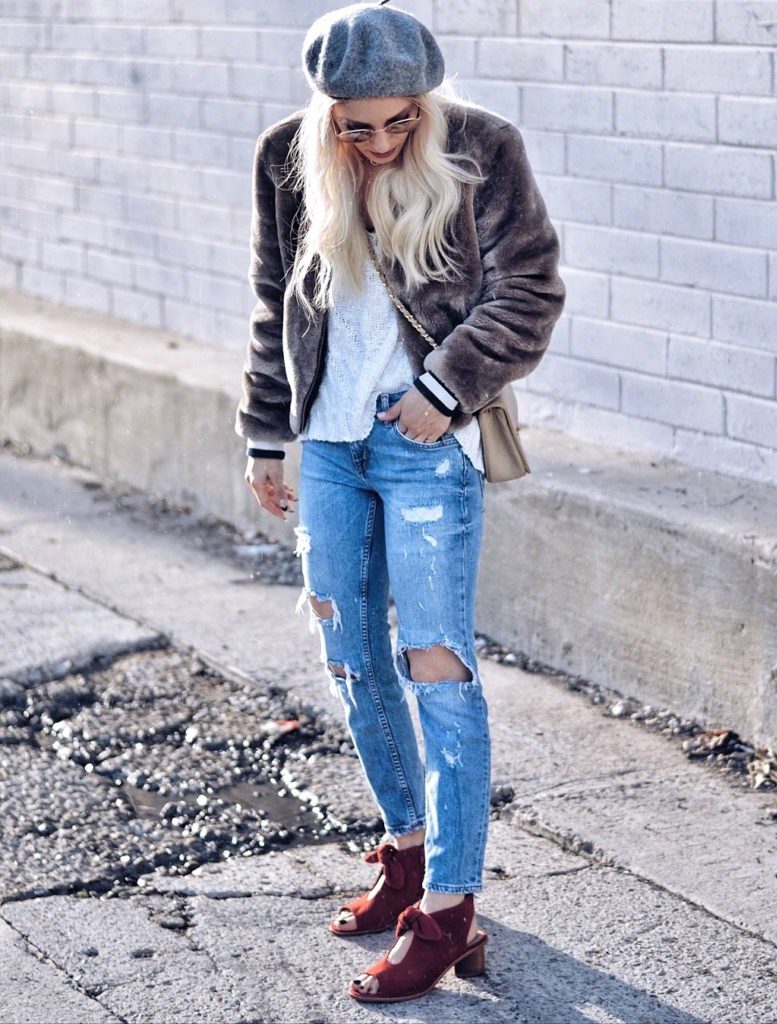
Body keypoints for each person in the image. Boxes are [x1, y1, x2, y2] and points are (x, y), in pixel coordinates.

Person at [235, 0, 565, 1004]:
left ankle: (452, 908)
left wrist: (440, 390)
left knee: (436, 662)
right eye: (354, 125)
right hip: (328, 448)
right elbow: (273, 298)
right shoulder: (285, 158)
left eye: (396, 121)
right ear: (324, 113)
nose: (378, 142)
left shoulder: (481, 150)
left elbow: (530, 291)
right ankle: (407, 850)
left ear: (425, 100)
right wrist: (264, 432)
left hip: (422, 447)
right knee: (347, 650)